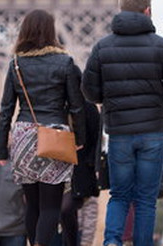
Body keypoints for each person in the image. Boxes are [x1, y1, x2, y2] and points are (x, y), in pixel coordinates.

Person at [82, 0, 163, 246]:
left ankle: (111, 242)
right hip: (153, 133)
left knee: (119, 195)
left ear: (121, 11)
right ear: (148, 11)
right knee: (145, 199)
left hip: (119, 133)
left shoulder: (102, 48)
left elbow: (89, 92)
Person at [0, 9, 86, 246]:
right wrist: (80, 138)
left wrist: (0, 150)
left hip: (24, 136)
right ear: (51, 31)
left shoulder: (16, 64)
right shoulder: (64, 62)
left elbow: (6, 109)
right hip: (53, 136)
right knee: (51, 207)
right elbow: (77, 106)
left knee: (32, 206)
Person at [60, 101, 100, 246]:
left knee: (71, 210)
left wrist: (93, 165)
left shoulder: (89, 108)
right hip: (58, 168)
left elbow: (96, 139)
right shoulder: (56, 106)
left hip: (82, 171)